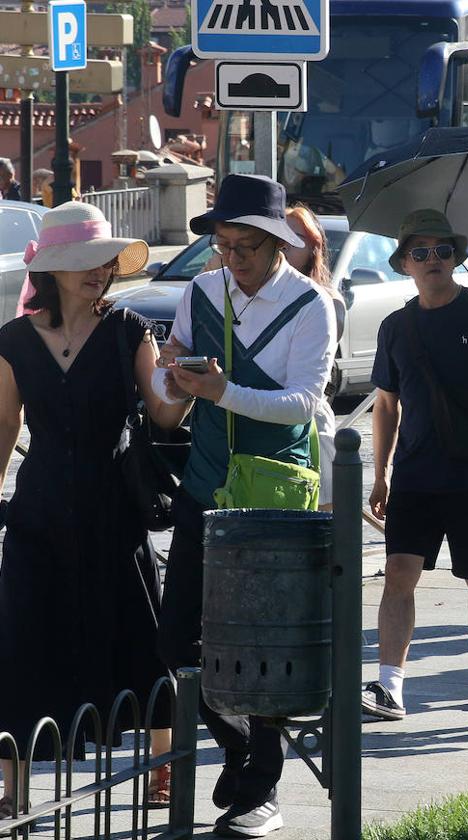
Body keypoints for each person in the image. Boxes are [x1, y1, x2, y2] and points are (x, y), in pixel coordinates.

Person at [153, 174, 337, 838]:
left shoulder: (313, 306)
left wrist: (223, 392)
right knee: (179, 641)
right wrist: (170, 375)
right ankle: (240, 753)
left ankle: (261, 790)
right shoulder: (202, 291)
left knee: (265, 648)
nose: (234, 262)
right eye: (225, 247)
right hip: (204, 488)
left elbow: (304, 403)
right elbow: (167, 373)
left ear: (277, 245)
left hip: (274, 498)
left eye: (246, 249)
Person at [0, 202, 183, 818]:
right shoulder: (15, 341)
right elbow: (3, 424)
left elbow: (162, 412)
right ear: (51, 269)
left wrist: (183, 385)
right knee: (21, 638)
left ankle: (162, 770)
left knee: (141, 632)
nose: (97, 273)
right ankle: (13, 790)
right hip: (39, 512)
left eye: (103, 263)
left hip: (114, 510)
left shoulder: (129, 328)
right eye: (83, 264)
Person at [362, 209, 468, 720]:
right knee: (399, 573)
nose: (432, 260)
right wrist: (381, 472)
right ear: (404, 264)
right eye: (421, 252)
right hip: (416, 473)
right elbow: (387, 404)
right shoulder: (396, 326)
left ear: (457, 258)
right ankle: (389, 685)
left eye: (442, 251)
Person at [282, 203, 346, 510]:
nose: (285, 246)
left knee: (322, 513)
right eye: (279, 237)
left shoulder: (326, 300)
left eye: (296, 238)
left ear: (313, 247)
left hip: (310, 421)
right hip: (271, 423)